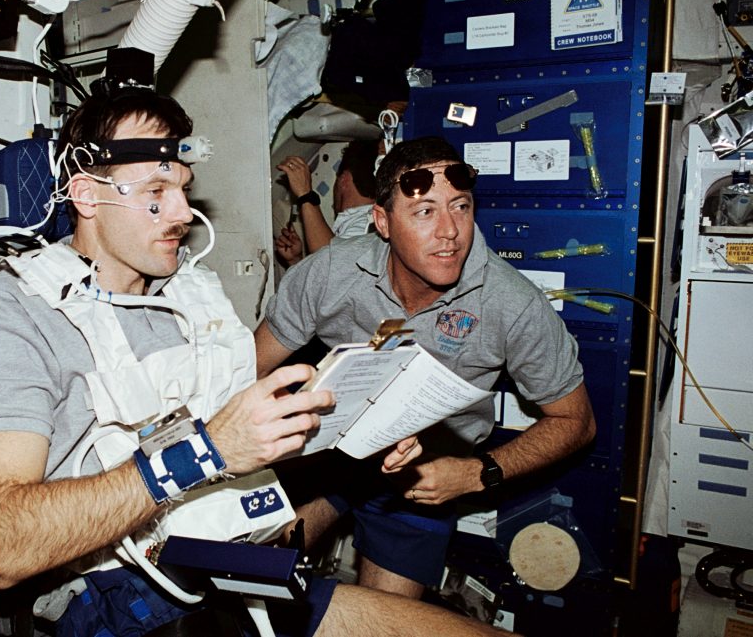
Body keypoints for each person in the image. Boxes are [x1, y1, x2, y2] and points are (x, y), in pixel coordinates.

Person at [0, 87, 514, 637]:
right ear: (87, 196)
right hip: (124, 600)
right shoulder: (9, 320)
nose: (184, 212)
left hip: (238, 564)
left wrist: (355, 426)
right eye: (157, 193)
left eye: (184, 188)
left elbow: (241, 435)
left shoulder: (191, 293)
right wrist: (206, 451)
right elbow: (4, 547)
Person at [255, 135, 597, 600]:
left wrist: (478, 473)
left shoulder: (511, 304)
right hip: (328, 453)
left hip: (425, 476)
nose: (450, 231)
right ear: (383, 222)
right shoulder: (329, 272)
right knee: (250, 570)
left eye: (460, 206)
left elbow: (576, 422)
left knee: (384, 622)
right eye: (424, 212)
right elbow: (250, 369)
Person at [275, 139, 378, 266]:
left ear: (343, 180)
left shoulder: (365, 227)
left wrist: (305, 193)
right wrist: (296, 260)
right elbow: (332, 281)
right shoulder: (363, 224)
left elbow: (331, 266)